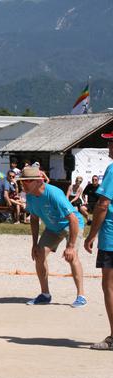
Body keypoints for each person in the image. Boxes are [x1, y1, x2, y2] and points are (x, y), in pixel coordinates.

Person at [18, 166, 86, 307]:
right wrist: (35, 244)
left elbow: (73, 219)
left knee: (72, 256)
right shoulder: (30, 195)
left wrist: (71, 246)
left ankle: (81, 296)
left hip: (71, 225)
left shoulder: (54, 194)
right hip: (53, 228)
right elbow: (34, 219)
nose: (23, 184)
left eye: (27, 181)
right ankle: (45, 295)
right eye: (22, 181)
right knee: (39, 254)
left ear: (39, 181)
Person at [83, 131, 113, 350]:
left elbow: (103, 204)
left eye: (111, 142)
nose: (109, 146)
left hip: (111, 237)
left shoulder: (112, 169)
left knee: (109, 285)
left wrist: (91, 235)